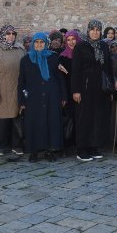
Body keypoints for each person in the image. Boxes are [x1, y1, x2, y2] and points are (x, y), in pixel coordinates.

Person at [18, 32, 66, 162]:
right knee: (34, 123)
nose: (39, 45)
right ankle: (34, 151)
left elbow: (60, 78)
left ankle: (49, 150)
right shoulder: (26, 60)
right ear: (33, 43)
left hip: (52, 96)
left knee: (50, 123)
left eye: (42, 42)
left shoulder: (53, 58)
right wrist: (21, 100)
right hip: (33, 98)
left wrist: (63, 96)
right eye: (37, 42)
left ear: (46, 44)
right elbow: (21, 81)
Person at [72, 20, 113, 162]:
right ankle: (82, 149)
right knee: (85, 119)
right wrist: (76, 90)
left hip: (100, 89)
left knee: (98, 119)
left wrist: (111, 86)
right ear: (88, 30)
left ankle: (94, 147)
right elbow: (76, 70)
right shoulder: (81, 46)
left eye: (98, 29)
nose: (95, 32)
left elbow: (108, 67)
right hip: (85, 88)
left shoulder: (103, 46)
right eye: (92, 29)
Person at [0, 25, 25, 157]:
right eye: (8, 34)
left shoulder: (20, 49)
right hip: (2, 91)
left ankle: (16, 145)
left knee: (16, 119)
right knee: (1, 121)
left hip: (17, 89)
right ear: (2, 34)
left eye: (13, 33)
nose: (11, 36)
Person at [58, 30, 81, 149]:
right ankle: (70, 142)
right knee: (70, 117)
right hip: (68, 91)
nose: (71, 42)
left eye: (73, 39)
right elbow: (61, 77)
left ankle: (81, 142)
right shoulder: (62, 57)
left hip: (82, 91)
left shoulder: (83, 54)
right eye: (68, 40)